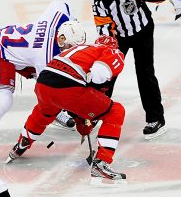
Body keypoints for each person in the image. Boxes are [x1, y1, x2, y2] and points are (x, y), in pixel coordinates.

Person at [0, 1, 88, 163]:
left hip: (23, 52)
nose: (69, 51)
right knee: (4, 98)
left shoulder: (59, 21)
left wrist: (73, 23)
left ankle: (57, 113)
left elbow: (61, 4)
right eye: (67, 46)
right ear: (60, 38)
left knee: (55, 79)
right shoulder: (44, 56)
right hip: (0, 51)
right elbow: (47, 90)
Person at [7, 35, 128, 184]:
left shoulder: (81, 48)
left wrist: (82, 116)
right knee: (115, 111)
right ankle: (101, 163)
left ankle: (23, 142)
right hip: (69, 87)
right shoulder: (112, 51)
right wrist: (86, 116)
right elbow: (98, 75)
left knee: (44, 112)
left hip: (44, 83)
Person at [93, 0, 168, 139]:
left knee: (145, 73)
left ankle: (156, 118)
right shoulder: (99, 0)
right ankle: (95, 111)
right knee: (106, 73)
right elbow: (103, 27)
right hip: (119, 37)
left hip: (143, 32)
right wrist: (108, 47)